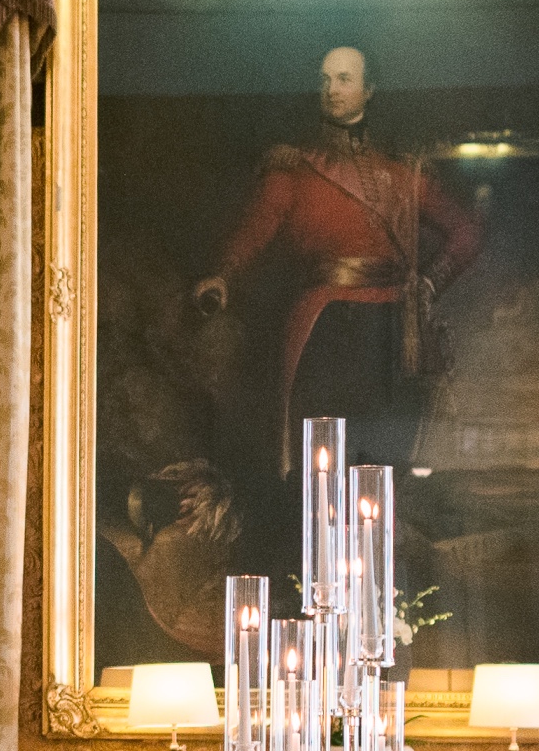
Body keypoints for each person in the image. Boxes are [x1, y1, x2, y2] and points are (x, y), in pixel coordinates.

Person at [190, 43, 481, 468]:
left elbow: (467, 232)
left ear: (369, 89)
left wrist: (429, 283)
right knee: (321, 459)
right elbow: (257, 227)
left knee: (386, 458)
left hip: (392, 332)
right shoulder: (294, 168)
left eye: (344, 79)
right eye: (325, 80)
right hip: (323, 328)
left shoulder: (403, 171)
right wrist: (224, 274)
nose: (332, 90)